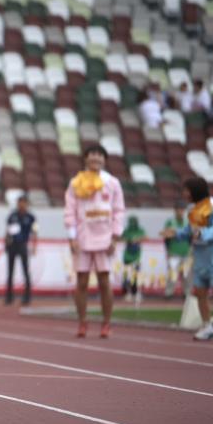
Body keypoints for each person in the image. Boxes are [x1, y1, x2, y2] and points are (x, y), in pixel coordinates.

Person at [64, 145, 125, 339]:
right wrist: (72, 237)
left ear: (104, 160)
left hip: (105, 238)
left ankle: (106, 323)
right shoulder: (76, 182)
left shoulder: (112, 183)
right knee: (81, 281)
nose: (95, 158)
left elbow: (119, 211)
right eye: (92, 155)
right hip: (82, 237)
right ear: (85, 158)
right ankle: (82, 322)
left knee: (104, 281)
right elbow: (70, 211)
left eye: (99, 155)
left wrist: (115, 237)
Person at [163, 178, 213, 341]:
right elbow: (189, 231)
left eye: (186, 190)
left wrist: (202, 233)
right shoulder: (193, 211)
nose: (184, 194)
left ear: (195, 191)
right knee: (200, 293)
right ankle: (207, 326)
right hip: (200, 258)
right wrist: (175, 233)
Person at [3, 195, 37, 306]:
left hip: (23, 245)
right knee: (10, 271)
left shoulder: (31, 217)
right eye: (19, 202)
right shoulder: (12, 216)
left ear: (27, 204)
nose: (21, 205)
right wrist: (6, 243)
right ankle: (9, 297)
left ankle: (27, 297)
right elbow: (8, 231)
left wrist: (34, 246)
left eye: (23, 203)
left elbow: (35, 232)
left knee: (25, 271)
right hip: (12, 245)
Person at [162, 200, 191, 298]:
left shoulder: (188, 222)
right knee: (172, 273)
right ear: (175, 211)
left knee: (186, 274)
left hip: (186, 252)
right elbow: (165, 237)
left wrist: (190, 250)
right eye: (179, 210)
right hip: (173, 252)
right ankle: (169, 292)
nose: (180, 212)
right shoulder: (170, 222)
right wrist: (168, 250)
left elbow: (191, 237)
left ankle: (187, 292)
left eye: (182, 210)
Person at [121, 215, 146, 304]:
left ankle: (135, 292)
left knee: (135, 276)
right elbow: (121, 237)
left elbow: (144, 237)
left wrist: (137, 239)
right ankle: (127, 292)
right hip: (127, 257)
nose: (133, 224)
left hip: (136, 257)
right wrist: (129, 239)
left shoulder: (140, 230)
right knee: (127, 276)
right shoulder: (126, 231)